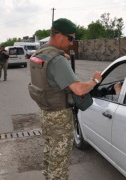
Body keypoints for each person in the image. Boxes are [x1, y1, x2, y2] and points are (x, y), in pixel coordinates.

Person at [28, 18, 102, 180]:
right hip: (59, 117)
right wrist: (95, 80)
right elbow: (79, 89)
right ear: (59, 35)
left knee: (50, 153)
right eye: (70, 38)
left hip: (46, 113)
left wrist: (62, 60)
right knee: (59, 161)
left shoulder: (40, 53)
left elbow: (49, 76)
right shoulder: (57, 60)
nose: (71, 43)